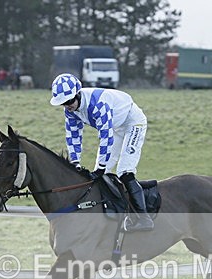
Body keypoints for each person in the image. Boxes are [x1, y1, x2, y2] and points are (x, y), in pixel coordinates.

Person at [49, 73, 153, 231]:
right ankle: (112, 212)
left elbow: (106, 138)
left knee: (124, 171)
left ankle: (144, 219)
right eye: (63, 103)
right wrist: (75, 162)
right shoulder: (70, 112)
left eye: (69, 101)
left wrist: (101, 167)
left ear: (78, 93)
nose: (67, 105)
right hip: (116, 126)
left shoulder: (98, 104)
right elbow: (73, 136)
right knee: (101, 176)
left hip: (133, 122)